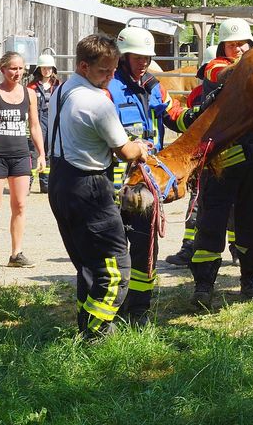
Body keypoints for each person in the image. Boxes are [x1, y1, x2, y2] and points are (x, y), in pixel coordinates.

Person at [46, 33, 148, 339]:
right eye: (104, 71)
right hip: (90, 187)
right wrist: (140, 147)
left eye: (114, 69)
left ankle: (86, 324)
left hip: (60, 182)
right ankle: (96, 333)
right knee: (115, 268)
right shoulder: (96, 103)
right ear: (83, 66)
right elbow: (126, 152)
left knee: (89, 265)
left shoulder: (62, 89)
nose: (111, 76)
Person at [107, 26, 196, 325]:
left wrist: (196, 116)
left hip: (146, 180)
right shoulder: (108, 87)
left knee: (146, 245)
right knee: (116, 245)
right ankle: (114, 305)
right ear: (123, 56)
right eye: (137, 57)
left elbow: (172, 114)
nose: (143, 62)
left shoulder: (152, 85)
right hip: (115, 180)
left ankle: (140, 309)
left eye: (147, 57)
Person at [186, 18, 253, 308]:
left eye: (243, 44)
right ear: (223, 46)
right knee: (210, 224)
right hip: (221, 164)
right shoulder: (214, 69)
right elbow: (224, 73)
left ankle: (251, 279)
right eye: (232, 44)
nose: (238, 49)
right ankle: (203, 285)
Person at [164, 43, 239, 268]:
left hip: (207, 158)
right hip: (227, 158)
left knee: (200, 203)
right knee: (228, 205)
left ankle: (190, 247)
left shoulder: (200, 93)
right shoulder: (238, 92)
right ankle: (235, 250)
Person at [0, 52, 46, 269]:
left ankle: (16, 254)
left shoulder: (30, 94)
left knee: (20, 205)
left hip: (21, 155)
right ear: (3, 69)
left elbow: (34, 126)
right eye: (12, 68)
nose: (17, 73)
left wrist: (41, 153)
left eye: (20, 68)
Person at [26, 53, 59, 193]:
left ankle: (45, 185)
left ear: (53, 69)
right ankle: (27, 184)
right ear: (39, 69)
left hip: (52, 120)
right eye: (44, 68)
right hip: (36, 120)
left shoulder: (58, 86)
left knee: (49, 151)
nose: (47, 71)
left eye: (49, 68)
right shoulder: (31, 86)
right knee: (33, 152)